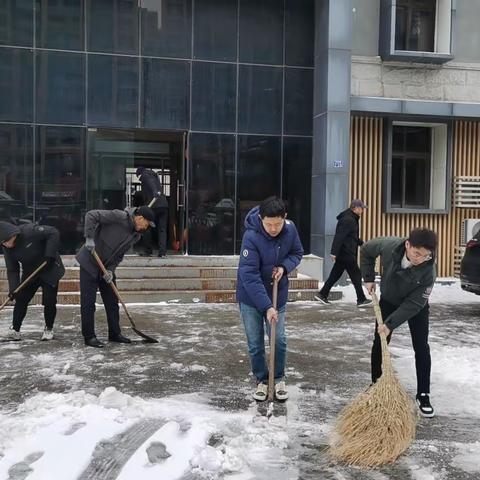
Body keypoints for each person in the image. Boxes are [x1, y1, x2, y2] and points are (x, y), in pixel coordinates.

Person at [360, 228, 437, 417]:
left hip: (415, 306)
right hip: (389, 299)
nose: (419, 259)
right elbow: (367, 250)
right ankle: (376, 383)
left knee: (421, 346)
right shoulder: (389, 246)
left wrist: (390, 324)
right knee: (380, 341)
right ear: (407, 245)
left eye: (425, 256)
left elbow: (414, 304)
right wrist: (368, 277)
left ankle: (423, 393)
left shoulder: (429, 271)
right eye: (416, 253)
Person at [236, 197, 304, 401]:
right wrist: (266, 306)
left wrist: (284, 267)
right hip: (251, 298)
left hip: (278, 293)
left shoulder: (290, 229)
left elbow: (297, 253)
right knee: (255, 343)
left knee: (279, 339)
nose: (273, 229)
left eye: (277, 224)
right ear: (260, 219)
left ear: (285, 218)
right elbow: (249, 275)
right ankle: (262, 380)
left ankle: (279, 377)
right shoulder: (251, 236)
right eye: (268, 224)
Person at [76, 206, 155, 348]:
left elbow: (119, 255)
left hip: (105, 267)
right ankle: (89, 336)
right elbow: (91, 215)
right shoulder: (119, 216)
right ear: (140, 218)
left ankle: (114, 333)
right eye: (146, 224)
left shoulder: (135, 235)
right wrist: (89, 237)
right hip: (89, 261)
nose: (145, 227)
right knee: (88, 303)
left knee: (112, 302)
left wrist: (111, 270)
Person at [0, 220, 65, 341]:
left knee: (49, 300)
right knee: (21, 298)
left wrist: (49, 254)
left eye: (5, 242)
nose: (5, 245)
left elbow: (53, 232)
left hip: (49, 267)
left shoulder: (30, 231)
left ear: (12, 235)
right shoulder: (7, 247)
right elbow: (12, 269)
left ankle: (49, 328)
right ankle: (15, 329)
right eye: (2, 243)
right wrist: (14, 289)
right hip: (30, 272)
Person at [315, 199, 372, 307]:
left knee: (335, 275)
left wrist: (361, 243)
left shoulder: (351, 218)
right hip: (346, 253)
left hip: (344, 252)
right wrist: (333, 252)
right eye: (361, 208)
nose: (363, 210)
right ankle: (361, 299)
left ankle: (322, 294)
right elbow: (339, 236)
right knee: (356, 274)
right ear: (355, 208)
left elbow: (351, 236)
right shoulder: (348, 220)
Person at [136, 167, 169, 257]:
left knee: (146, 227)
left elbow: (151, 185)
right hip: (163, 205)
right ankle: (162, 252)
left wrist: (155, 191)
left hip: (154, 205)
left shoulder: (145, 175)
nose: (140, 180)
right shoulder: (154, 176)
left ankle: (148, 250)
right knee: (162, 229)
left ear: (140, 174)